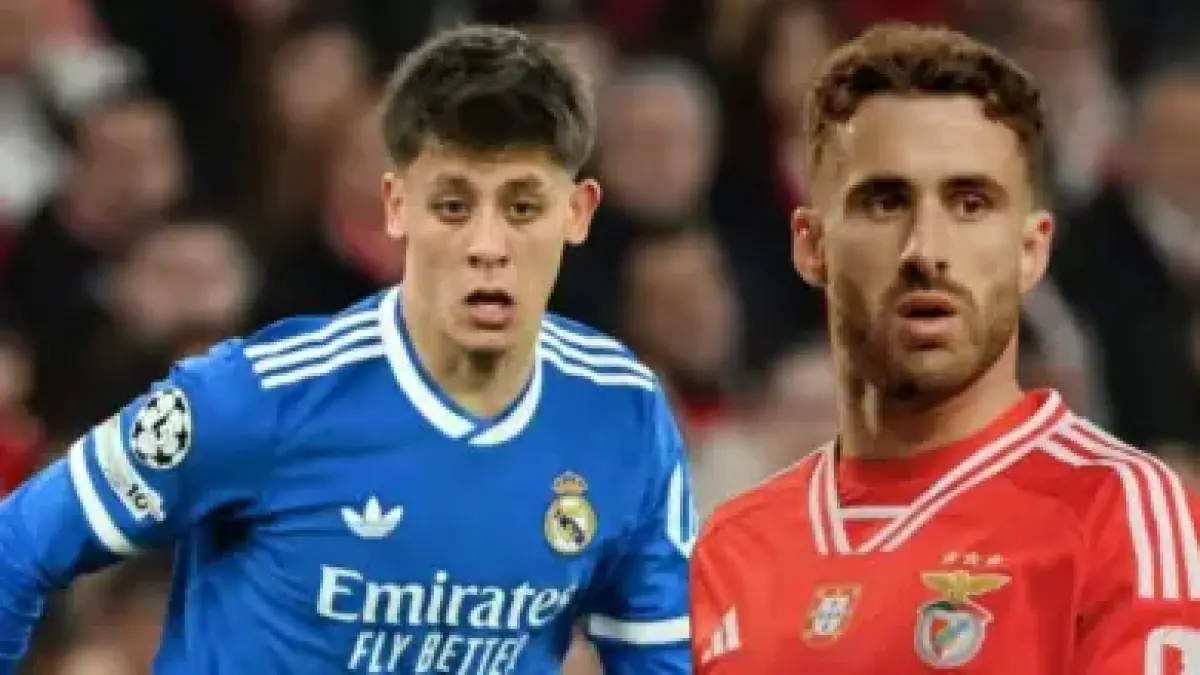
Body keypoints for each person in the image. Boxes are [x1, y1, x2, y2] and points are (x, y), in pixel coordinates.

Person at [0, 25, 695, 674]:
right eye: (453, 205)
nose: (488, 245)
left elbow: (659, 655)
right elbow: (18, 547)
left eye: (522, 206)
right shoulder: (261, 397)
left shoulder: (623, 414)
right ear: (396, 205)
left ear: (576, 212)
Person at [689, 23, 1200, 674]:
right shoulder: (731, 547)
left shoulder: (1121, 511)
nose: (925, 249)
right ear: (811, 245)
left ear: (1031, 250)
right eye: (884, 202)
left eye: (970, 204)